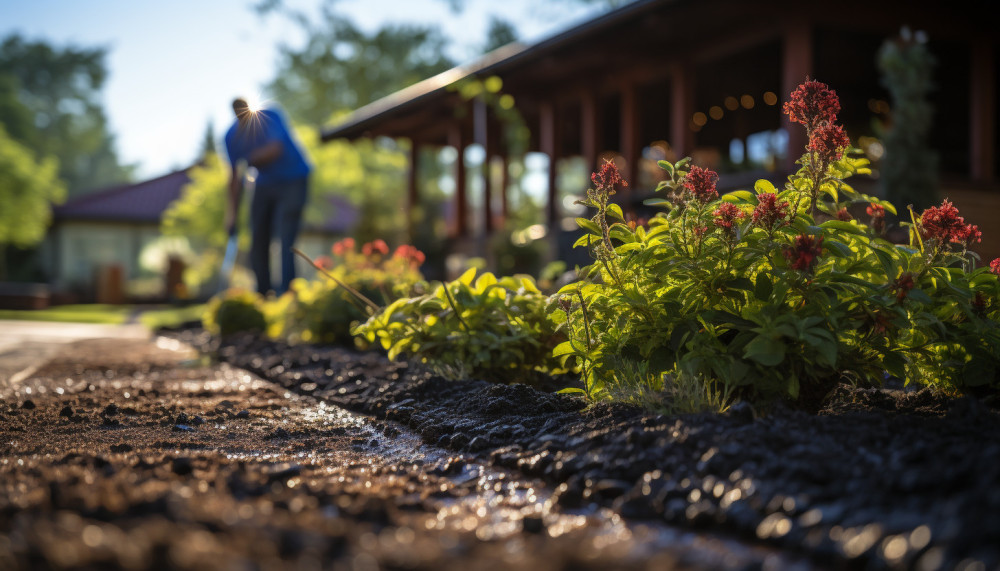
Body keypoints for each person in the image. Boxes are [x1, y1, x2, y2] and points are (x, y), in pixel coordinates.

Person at [224, 97, 312, 296]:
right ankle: (263, 293)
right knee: (258, 237)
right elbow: (234, 177)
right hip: (264, 183)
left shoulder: (269, 116)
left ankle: (287, 293)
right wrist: (232, 215)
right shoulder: (231, 137)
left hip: (294, 178)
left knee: (286, 236)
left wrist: (249, 159)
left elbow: (275, 148)